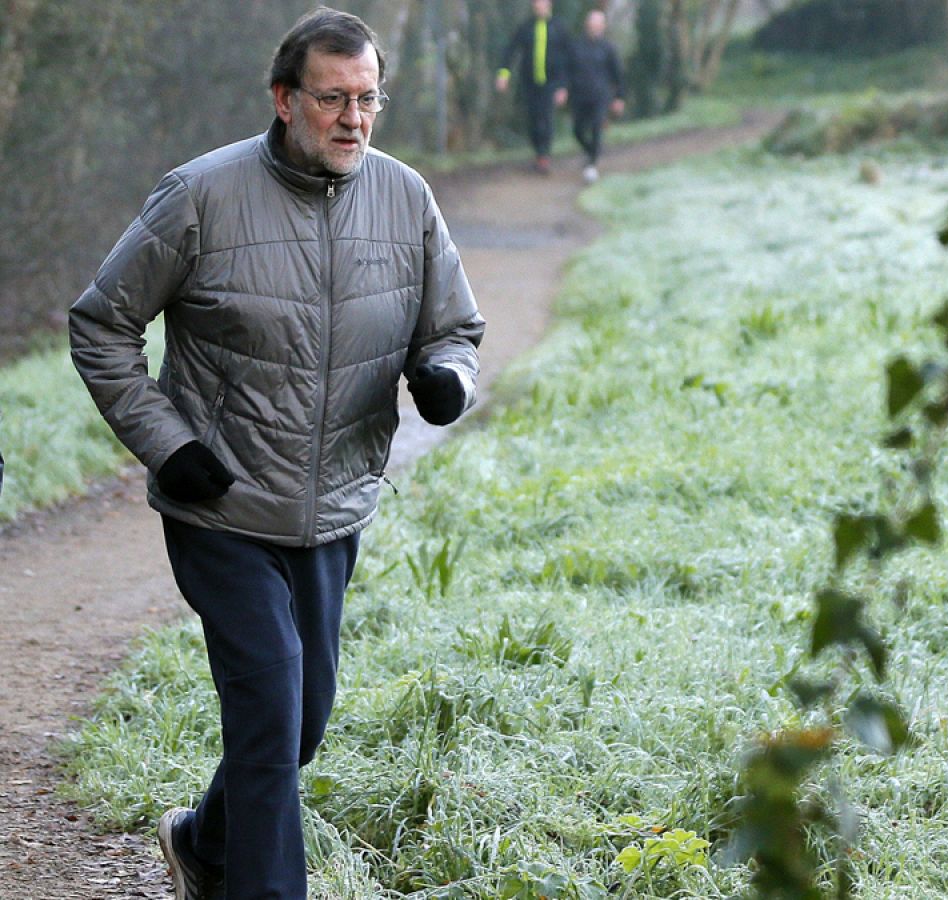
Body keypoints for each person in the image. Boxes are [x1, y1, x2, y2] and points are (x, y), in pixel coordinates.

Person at [67, 8, 484, 900]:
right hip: (221, 503)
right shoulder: (200, 196)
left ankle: (205, 843)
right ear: (284, 99)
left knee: (301, 722)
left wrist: (446, 375)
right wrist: (168, 445)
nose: (353, 119)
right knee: (269, 710)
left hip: (332, 507)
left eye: (368, 99)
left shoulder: (405, 196)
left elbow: (454, 327)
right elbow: (100, 326)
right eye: (332, 99)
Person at [495, 0, 572, 176]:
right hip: (529, 83)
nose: (538, 5)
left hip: (551, 84)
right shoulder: (526, 28)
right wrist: (504, 74)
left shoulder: (559, 28)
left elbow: (568, 59)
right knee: (533, 119)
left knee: (546, 118)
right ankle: (539, 153)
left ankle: (544, 156)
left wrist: (563, 86)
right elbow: (511, 50)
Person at [569, 9, 626, 184]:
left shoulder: (608, 48)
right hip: (580, 96)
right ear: (587, 24)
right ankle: (591, 152)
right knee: (577, 130)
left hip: (601, 96)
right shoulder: (576, 46)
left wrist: (619, 97)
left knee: (596, 127)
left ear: (603, 26)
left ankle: (592, 165)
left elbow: (618, 74)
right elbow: (568, 70)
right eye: (592, 22)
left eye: (598, 23)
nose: (594, 26)